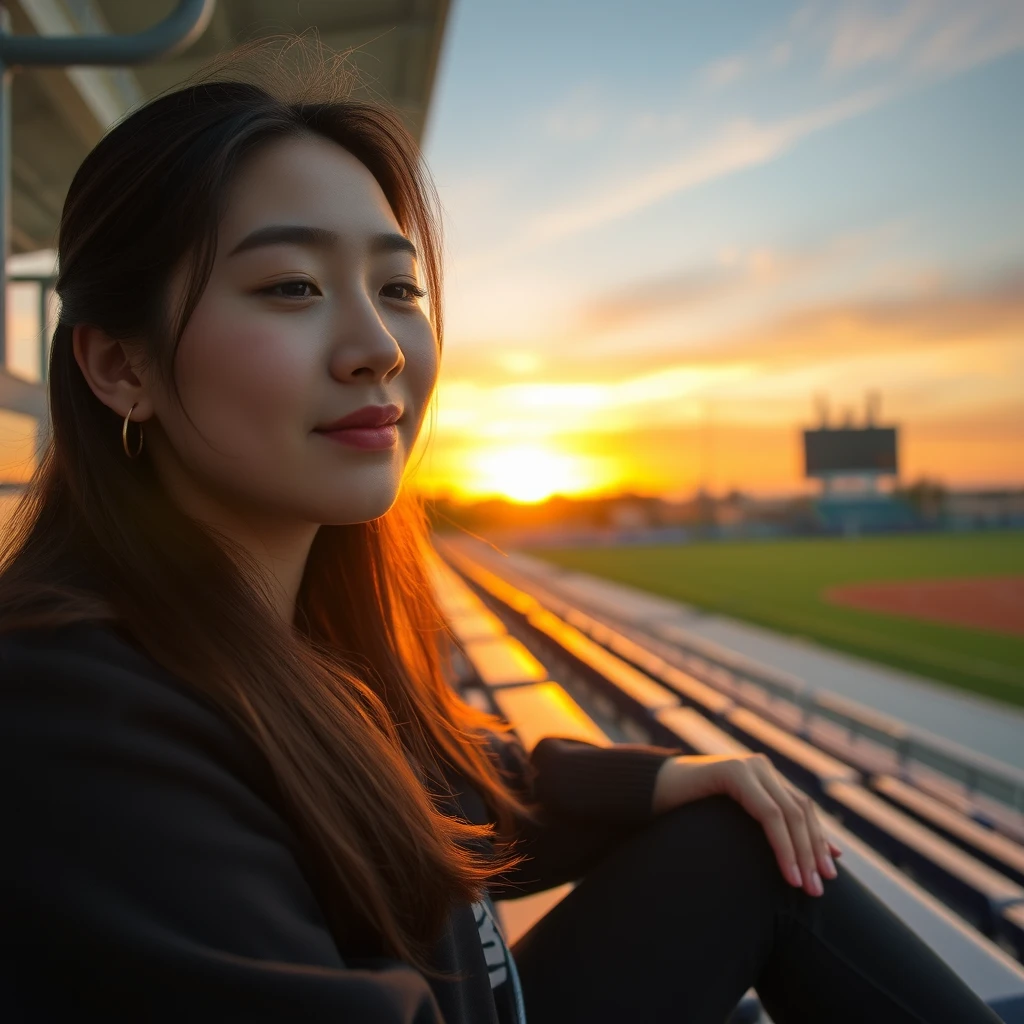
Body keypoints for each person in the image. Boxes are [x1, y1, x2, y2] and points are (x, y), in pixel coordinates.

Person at [0, 43, 1004, 1024]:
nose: (379, 348)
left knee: (750, 844)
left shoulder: (293, 639)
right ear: (119, 367)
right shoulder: (70, 714)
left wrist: (664, 775)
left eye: (398, 290)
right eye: (292, 287)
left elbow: (455, 783)